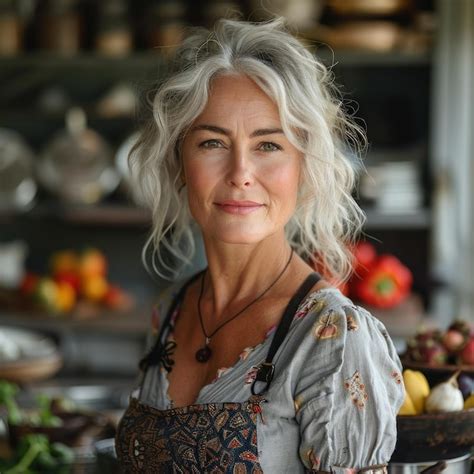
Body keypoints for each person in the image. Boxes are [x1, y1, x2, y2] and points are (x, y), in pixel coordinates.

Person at [116, 17, 405, 473]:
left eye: (268, 145)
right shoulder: (171, 310)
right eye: (212, 142)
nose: (240, 172)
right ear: (178, 162)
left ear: (305, 167)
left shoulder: (332, 335)